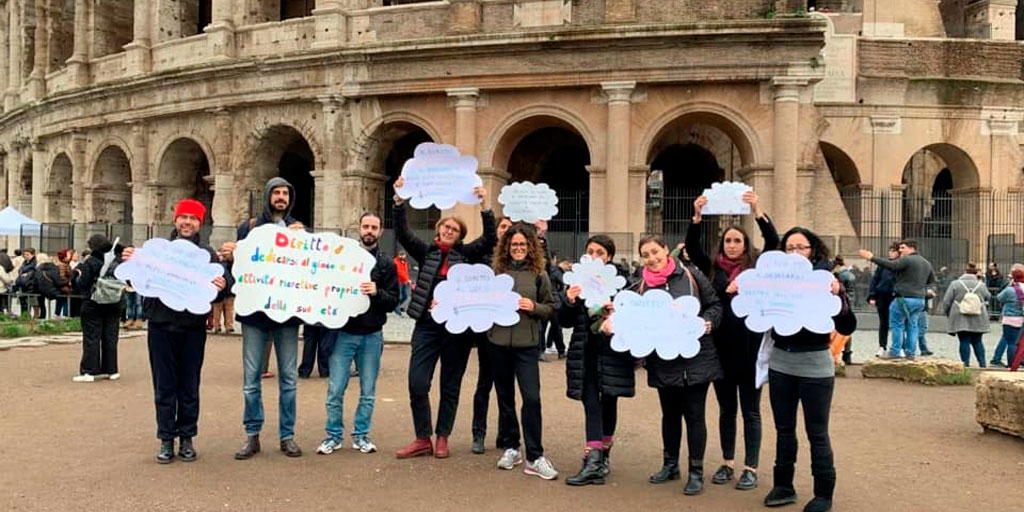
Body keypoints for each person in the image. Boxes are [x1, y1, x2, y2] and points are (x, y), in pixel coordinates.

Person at [602, 235, 722, 496]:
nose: (652, 258)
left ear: (666, 250)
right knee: (669, 414)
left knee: (694, 414)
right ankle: (670, 465)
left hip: (695, 357)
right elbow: (628, 314)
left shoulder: (691, 275)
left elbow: (714, 304)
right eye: (646, 255)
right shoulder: (639, 285)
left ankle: (696, 471)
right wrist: (614, 317)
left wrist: (709, 322)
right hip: (662, 358)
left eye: (655, 252)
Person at [392, 176, 496, 460]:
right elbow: (402, 233)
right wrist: (399, 200)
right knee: (417, 382)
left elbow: (490, 239)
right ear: (438, 230)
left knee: (450, 384)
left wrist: (485, 206)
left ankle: (442, 437)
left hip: (457, 330)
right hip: (427, 325)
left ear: (460, 235)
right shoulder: (427, 253)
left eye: (455, 229)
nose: (450, 230)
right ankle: (422, 437)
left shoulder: (467, 254)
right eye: (446, 226)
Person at [122, 199, 231, 463]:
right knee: (164, 385)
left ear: (200, 224)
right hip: (160, 326)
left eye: (193, 219)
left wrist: (223, 284)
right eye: (183, 217)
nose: (187, 222)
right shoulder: (157, 251)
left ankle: (187, 437)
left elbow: (223, 289)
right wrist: (126, 260)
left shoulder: (207, 255)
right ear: (175, 220)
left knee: (189, 385)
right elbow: (132, 278)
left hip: (192, 329)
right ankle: (166, 439)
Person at [688, 190, 778, 491]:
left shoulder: (758, 267)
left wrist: (757, 210)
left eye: (738, 240)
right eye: (728, 240)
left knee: (751, 411)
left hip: (751, 349)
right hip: (721, 350)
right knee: (727, 410)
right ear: (722, 244)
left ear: (745, 244)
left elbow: (774, 243)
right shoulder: (712, 268)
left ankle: (750, 467)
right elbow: (692, 247)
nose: (732, 245)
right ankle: (727, 462)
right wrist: (697, 218)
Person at [763, 227, 856, 512]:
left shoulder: (828, 280)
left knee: (817, 431)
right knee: (784, 429)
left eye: (801, 247)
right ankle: (783, 485)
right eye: (789, 248)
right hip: (781, 363)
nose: (795, 253)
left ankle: (824, 493)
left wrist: (838, 297)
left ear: (812, 250)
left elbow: (847, 326)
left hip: (815, 365)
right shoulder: (774, 282)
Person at [222, 177, 307, 459]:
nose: (281, 197)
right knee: (251, 380)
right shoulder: (249, 227)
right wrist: (231, 256)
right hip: (255, 314)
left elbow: (308, 274)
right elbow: (239, 270)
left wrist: (304, 240)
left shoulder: (299, 229)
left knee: (289, 380)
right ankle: (252, 434)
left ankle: (287, 436)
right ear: (268, 196)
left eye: (285, 193)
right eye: (276, 193)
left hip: (287, 315)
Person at [316, 212, 399, 456]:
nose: (369, 231)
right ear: (359, 229)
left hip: (372, 334)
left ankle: (361, 435)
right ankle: (333, 435)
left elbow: (393, 301)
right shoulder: (342, 259)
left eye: (374, 227)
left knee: (368, 391)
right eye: (365, 226)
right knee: (335, 389)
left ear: (381, 231)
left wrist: (377, 292)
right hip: (344, 332)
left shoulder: (386, 264)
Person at [563, 235, 636, 486]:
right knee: (590, 400)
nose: (595, 256)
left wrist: (615, 311)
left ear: (609, 257)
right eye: (591, 251)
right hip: (586, 350)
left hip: (613, 351)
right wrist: (570, 301)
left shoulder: (622, 283)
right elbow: (564, 321)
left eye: (600, 252)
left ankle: (603, 456)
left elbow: (633, 314)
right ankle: (593, 458)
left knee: (610, 400)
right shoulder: (576, 281)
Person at [488, 223, 559, 480]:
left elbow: (551, 307)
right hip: (497, 344)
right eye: (514, 244)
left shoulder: (539, 274)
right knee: (505, 399)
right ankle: (511, 447)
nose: (518, 248)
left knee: (531, 399)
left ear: (530, 247)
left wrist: (534, 307)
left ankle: (535, 455)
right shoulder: (495, 272)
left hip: (526, 346)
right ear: (506, 246)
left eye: (522, 244)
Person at [471, 215, 513, 455]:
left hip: (508, 328)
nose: (506, 231)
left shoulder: (515, 259)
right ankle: (478, 433)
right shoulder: (481, 254)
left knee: (505, 384)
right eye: (503, 227)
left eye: (510, 228)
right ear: (496, 230)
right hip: (486, 328)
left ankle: (504, 433)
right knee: (484, 383)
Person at [858, 240, 935, 360]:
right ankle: (910, 353)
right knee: (912, 325)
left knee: (897, 325)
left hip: (903, 298)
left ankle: (895, 352)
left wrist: (872, 257)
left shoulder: (907, 259)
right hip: (919, 300)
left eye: (903, 248)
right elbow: (931, 282)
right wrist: (928, 291)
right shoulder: (926, 263)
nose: (900, 250)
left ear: (911, 248)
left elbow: (891, 265)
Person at [72, 235, 124, 382]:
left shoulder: (92, 261)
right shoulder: (117, 260)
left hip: (94, 302)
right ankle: (111, 369)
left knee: (92, 336)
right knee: (111, 336)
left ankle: (89, 370)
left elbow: (82, 282)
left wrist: (76, 279)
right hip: (115, 301)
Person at [940, 263, 991, 368]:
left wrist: (948, 313)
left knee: (964, 340)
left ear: (964, 273)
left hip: (960, 316)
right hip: (978, 316)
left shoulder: (955, 284)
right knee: (977, 341)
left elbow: (946, 301)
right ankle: (982, 364)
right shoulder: (981, 285)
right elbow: (988, 297)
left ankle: (965, 364)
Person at [868, 244, 899, 358]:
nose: (891, 253)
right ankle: (882, 346)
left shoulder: (901, 265)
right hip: (882, 295)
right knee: (883, 322)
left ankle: (898, 347)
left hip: (895, 296)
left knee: (898, 323)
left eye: (893, 251)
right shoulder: (883, 265)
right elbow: (875, 279)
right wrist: (872, 296)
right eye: (890, 251)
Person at [990, 265, 1024, 367]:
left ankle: (1011, 363)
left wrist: (1010, 285)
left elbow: (999, 298)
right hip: (1021, 318)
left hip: (1010, 318)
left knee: (1011, 343)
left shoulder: (1010, 290)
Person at [54, 249, 74, 318]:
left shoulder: (66, 265)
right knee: (65, 301)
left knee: (61, 300)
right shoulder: (63, 265)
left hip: (63, 286)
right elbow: (62, 276)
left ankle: (58, 314)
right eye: (68, 255)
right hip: (64, 287)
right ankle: (64, 315)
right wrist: (69, 282)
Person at [393, 251, 412, 316]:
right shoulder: (396, 262)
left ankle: (395, 307)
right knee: (400, 296)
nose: (403, 256)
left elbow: (405, 272)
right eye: (402, 255)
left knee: (405, 296)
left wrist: (407, 280)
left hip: (403, 282)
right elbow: (399, 272)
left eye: (404, 255)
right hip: (398, 281)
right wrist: (407, 279)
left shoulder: (404, 262)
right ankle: (398, 311)